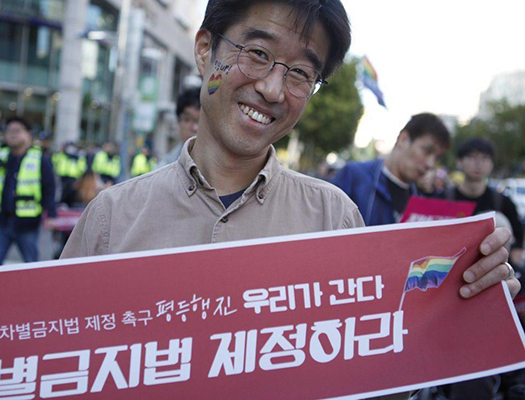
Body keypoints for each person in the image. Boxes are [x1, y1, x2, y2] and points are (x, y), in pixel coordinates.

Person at [61, 2, 518, 398]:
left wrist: (457, 311)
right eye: (258, 54)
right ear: (205, 50)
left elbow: (372, 377)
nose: (274, 90)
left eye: (300, 73)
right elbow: (51, 365)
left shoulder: (334, 218)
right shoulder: (111, 218)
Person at [333, 113, 451, 226]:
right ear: (403, 139)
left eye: (437, 158)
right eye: (427, 151)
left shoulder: (421, 198)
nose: (430, 164)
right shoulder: (354, 176)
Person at [0, 117, 57, 266]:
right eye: (9, 131)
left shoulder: (39, 159)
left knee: (31, 266)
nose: (12, 134)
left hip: (27, 224)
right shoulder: (0, 157)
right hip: (2, 221)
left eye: (17, 131)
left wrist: (51, 214)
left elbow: (49, 188)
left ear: (28, 134)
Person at [448, 138, 523, 266]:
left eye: (484, 158)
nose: (478, 163)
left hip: (493, 271)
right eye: (472, 157)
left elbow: (517, 241)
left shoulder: (503, 202)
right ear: (460, 161)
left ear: (492, 164)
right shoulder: (443, 198)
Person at [156, 87, 201, 168]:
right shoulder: (165, 167)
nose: (195, 128)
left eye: (200, 121)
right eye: (187, 120)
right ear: (177, 123)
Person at [52, 142, 87, 206]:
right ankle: (60, 203)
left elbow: (82, 167)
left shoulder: (78, 157)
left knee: (72, 192)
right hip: (62, 177)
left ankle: (70, 204)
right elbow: (54, 159)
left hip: (73, 178)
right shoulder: (62, 155)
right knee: (62, 191)